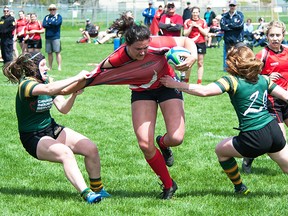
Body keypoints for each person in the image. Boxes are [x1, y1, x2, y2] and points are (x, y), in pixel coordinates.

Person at [61, 23, 198, 199]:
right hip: (141, 91)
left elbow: (186, 41)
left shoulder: (157, 43)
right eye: (138, 49)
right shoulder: (116, 59)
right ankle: (168, 185)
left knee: (177, 138)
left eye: (145, 48)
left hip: (167, 84)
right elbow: (91, 76)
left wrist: (193, 56)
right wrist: (62, 90)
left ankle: (163, 143)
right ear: (126, 44)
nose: (142, 52)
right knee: (145, 144)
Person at [160, 45, 288, 195]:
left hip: (254, 135)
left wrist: (175, 84)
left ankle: (239, 187)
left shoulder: (232, 81)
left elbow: (205, 91)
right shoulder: (263, 79)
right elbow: (286, 96)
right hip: (273, 129)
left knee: (221, 150)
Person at [2, 52, 111, 204]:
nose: (47, 68)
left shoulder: (46, 82)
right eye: (43, 65)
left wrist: (74, 94)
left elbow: (63, 109)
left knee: (90, 148)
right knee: (65, 154)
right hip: (33, 136)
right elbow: (48, 90)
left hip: (51, 128)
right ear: (33, 68)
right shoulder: (26, 85)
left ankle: (98, 189)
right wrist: (77, 77)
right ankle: (87, 194)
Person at [242, 21, 288, 173]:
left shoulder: (287, 51)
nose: (275, 38)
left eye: (278, 35)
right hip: (272, 101)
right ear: (267, 36)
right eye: (272, 35)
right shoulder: (262, 54)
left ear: (283, 35)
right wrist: (267, 76)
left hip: (287, 98)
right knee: (280, 139)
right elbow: (250, 75)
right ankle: (249, 156)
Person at [183, 6, 208, 84]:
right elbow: (185, 34)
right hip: (190, 43)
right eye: (194, 12)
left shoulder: (203, 21)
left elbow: (205, 33)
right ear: (191, 13)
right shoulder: (188, 21)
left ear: (199, 13)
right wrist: (191, 26)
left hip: (200, 43)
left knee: (200, 62)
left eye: (197, 12)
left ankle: (199, 81)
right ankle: (186, 80)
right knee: (189, 62)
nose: (195, 14)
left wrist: (198, 27)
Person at [220, 0, 244, 70]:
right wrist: (233, 26)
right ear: (229, 6)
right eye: (231, 5)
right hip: (228, 40)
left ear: (236, 6)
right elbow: (223, 26)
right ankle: (230, 71)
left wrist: (229, 25)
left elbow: (240, 25)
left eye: (234, 5)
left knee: (239, 56)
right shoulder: (225, 16)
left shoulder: (240, 15)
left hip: (238, 40)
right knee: (229, 57)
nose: (232, 7)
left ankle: (239, 71)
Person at [42, 4, 63, 71]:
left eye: (53, 9)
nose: (52, 11)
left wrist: (49, 23)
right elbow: (44, 24)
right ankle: (50, 66)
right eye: (51, 9)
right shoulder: (47, 17)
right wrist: (51, 23)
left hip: (56, 37)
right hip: (48, 37)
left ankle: (59, 66)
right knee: (49, 52)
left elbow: (57, 24)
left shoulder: (58, 16)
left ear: (55, 10)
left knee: (57, 52)